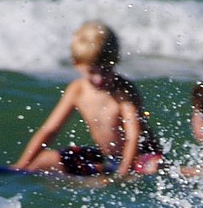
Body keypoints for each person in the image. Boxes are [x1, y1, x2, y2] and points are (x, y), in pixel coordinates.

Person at [14, 21, 163, 178]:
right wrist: (22, 165)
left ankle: (178, 171)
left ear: (115, 62)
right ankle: (99, 176)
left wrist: (123, 173)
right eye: (92, 72)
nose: (99, 79)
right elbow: (50, 130)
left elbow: (134, 137)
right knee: (41, 160)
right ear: (76, 64)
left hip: (140, 156)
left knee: (153, 166)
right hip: (109, 159)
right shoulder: (77, 90)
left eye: (106, 70)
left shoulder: (123, 91)